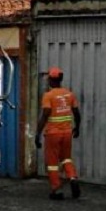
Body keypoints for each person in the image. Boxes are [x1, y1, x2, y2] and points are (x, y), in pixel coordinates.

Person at [35, 67, 82, 200]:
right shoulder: (69, 94)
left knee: (52, 162)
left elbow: (45, 115)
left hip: (52, 134)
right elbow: (77, 113)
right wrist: (77, 127)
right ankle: (72, 178)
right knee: (66, 158)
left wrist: (38, 134)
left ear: (50, 79)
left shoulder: (48, 96)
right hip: (67, 133)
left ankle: (56, 190)